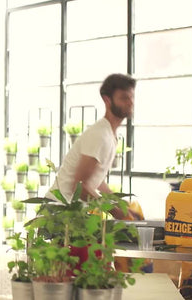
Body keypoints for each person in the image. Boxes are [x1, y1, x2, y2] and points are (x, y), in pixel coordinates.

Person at [45, 73, 136, 220]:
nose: (130, 102)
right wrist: (116, 212)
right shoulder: (100, 135)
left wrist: (118, 202)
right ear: (107, 100)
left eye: (132, 97)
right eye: (124, 98)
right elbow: (79, 187)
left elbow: (95, 179)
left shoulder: (109, 134)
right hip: (59, 212)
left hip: (70, 212)